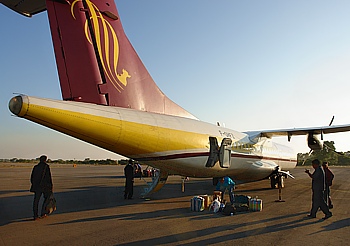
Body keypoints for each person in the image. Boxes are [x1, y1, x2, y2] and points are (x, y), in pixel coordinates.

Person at [30, 155, 53, 221]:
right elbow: (49, 177)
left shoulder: (36, 167)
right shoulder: (46, 167)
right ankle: (43, 213)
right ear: (45, 160)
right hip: (45, 187)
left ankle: (35, 215)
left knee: (36, 201)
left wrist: (34, 184)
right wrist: (51, 186)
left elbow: (32, 177)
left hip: (37, 186)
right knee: (46, 200)